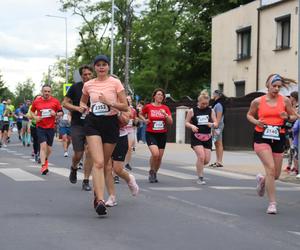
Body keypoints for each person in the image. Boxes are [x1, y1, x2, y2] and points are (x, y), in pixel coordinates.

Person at [80, 55, 128, 216]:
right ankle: (100, 201)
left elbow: (125, 107)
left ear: (108, 67)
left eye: (104, 64)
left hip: (111, 123)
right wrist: (83, 107)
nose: (101, 67)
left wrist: (109, 102)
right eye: (98, 65)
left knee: (105, 162)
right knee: (99, 163)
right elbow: (83, 101)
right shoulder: (88, 85)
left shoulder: (115, 83)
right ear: (94, 67)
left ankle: (97, 191)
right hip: (93, 123)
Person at [247, 74, 297, 214]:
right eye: (273, 86)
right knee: (270, 168)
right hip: (261, 137)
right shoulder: (258, 101)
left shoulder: (285, 101)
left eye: (278, 87)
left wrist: (287, 117)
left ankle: (262, 180)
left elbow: (294, 116)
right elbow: (249, 115)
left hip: (278, 137)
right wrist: (256, 122)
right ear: (267, 86)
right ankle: (272, 203)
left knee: (275, 175)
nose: (276, 89)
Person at [62, 64, 94, 191]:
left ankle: (86, 180)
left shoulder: (97, 87)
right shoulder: (75, 87)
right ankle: (74, 168)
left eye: (89, 74)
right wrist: (77, 108)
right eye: (84, 74)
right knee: (78, 153)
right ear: (81, 76)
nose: (87, 76)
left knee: (90, 152)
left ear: (93, 74)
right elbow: (64, 103)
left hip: (93, 124)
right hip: (77, 124)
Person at [104, 110, 139, 207]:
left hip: (120, 136)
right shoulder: (97, 99)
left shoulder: (121, 103)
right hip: (105, 137)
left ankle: (129, 179)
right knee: (107, 167)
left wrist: (117, 112)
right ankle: (112, 197)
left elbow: (126, 121)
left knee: (117, 169)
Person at [139, 88, 173, 183]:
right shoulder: (148, 106)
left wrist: (166, 115)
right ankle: (151, 170)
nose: (160, 96)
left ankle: (154, 173)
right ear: (154, 96)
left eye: (162, 95)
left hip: (162, 134)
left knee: (159, 157)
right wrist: (144, 120)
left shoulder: (165, 108)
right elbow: (140, 114)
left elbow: (170, 122)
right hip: (151, 133)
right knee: (155, 154)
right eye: (158, 94)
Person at [185, 92, 218, 185]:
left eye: (207, 103)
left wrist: (211, 124)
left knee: (206, 160)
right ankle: (200, 177)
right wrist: (192, 126)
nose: (205, 105)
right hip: (196, 136)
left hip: (207, 137)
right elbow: (186, 122)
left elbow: (216, 123)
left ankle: (199, 165)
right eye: (203, 103)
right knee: (201, 156)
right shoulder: (192, 111)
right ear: (198, 102)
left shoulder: (210, 111)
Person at [30, 84, 63, 175]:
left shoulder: (55, 101)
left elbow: (61, 112)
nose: (47, 93)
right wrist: (35, 117)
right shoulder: (37, 101)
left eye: (48, 91)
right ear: (42, 92)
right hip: (40, 127)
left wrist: (55, 114)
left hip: (51, 128)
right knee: (43, 146)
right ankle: (43, 166)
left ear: (51, 92)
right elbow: (32, 111)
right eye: (45, 91)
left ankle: (45, 159)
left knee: (49, 149)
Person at [209, 90, 226, 168]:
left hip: (218, 125)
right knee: (216, 143)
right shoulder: (216, 104)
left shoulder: (219, 105)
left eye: (214, 93)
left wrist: (216, 125)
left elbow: (218, 117)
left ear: (217, 95)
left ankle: (220, 161)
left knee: (219, 143)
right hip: (216, 125)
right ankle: (218, 161)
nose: (213, 95)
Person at [124, 95, 138, 171]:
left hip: (130, 129)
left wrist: (136, 120)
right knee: (122, 147)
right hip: (122, 129)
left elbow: (135, 120)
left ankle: (127, 163)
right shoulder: (122, 108)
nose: (128, 100)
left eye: (129, 99)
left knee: (129, 147)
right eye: (127, 99)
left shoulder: (133, 110)